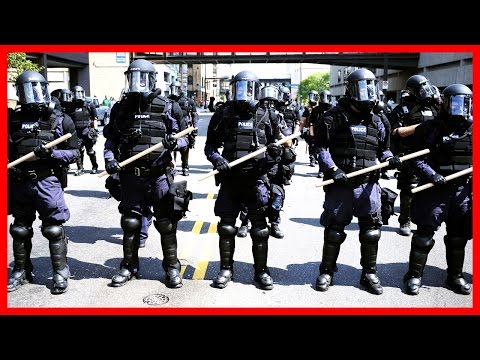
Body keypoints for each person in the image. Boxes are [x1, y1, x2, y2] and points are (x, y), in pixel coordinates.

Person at [312, 68, 402, 295]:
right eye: (363, 87)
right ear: (351, 90)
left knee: (371, 231)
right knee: (334, 231)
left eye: (371, 87)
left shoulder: (380, 119)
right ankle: (327, 271)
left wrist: (390, 159)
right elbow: (320, 147)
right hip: (341, 183)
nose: (368, 94)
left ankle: (369, 273)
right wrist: (331, 169)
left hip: (368, 184)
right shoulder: (333, 117)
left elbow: (384, 149)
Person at [103, 59, 190, 288]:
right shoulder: (120, 108)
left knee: (166, 222)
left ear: (151, 80)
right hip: (131, 175)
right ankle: (129, 266)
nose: (137, 83)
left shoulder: (169, 106)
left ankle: (172, 268)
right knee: (131, 222)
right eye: (133, 77)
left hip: (159, 174)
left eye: (142, 78)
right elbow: (111, 139)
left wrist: (174, 142)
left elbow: (186, 137)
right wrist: (109, 159)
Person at [204, 70, 284, 290]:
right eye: (238, 88)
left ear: (256, 90)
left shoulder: (269, 115)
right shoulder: (223, 114)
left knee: (260, 228)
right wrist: (217, 159)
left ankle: (261, 271)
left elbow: (277, 148)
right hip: (230, 178)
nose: (243, 94)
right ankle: (226, 270)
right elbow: (209, 146)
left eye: (248, 88)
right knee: (227, 227)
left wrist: (274, 154)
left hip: (256, 179)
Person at [7, 71, 80, 294]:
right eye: (27, 91)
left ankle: (60, 272)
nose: (33, 96)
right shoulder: (11, 120)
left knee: (53, 229)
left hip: (46, 181)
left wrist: (52, 156)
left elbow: (75, 152)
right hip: (19, 182)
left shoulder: (60, 119)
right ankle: (21, 270)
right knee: (20, 229)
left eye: (38, 90)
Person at [403, 83, 472, 296]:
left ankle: (454, 276)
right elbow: (415, 159)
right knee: (424, 236)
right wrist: (432, 175)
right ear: (445, 103)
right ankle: (414, 275)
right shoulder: (430, 128)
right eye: (455, 103)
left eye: (465, 103)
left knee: (458, 237)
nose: (460, 108)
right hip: (434, 189)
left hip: (462, 191)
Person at [236, 85, 295, 240]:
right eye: (265, 101)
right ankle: (244, 222)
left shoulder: (278, 117)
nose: (268, 104)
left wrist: (280, 142)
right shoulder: (254, 115)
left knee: (276, 194)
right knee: (251, 193)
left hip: (274, 162)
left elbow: (288, 139)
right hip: (257, 161)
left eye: (271, 101)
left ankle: (275, 223)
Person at [389, 74, 440, 236]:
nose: (425, 90)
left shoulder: (435, 107)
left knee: (431, 187)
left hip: (432, 155)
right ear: (411, 91)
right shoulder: (403, 108)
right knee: (409, 189)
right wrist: (423, 126)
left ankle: (425, 220)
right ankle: (405, 220)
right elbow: (397, 132)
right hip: (410, 154)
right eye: (420, 88)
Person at [66, 85, 99, 175]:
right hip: (76, 132)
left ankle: (94, 166)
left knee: (90, 151)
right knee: (78, 151)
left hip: (86, 131)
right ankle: (80, 168)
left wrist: (95, 130)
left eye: (80, 93)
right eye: (76, 94)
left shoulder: (89, 105)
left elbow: (95, 118)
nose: (78, 96)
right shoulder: (70, 106)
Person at [169, 81, 199, 176]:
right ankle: (172, 167)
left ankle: (185, 166)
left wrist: (195, 128)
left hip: (185, 127)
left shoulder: (188, 101)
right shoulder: (168, 100)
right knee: (171, 147)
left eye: (176, 88)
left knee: (185, 148)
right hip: (172, 126)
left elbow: (194, 115)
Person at [276, 85, 300, 185]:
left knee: (288, 157)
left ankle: (287, 177)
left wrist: (294, 136)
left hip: (289, 136)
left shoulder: (294, 107)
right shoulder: (276, 105)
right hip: (277, 135)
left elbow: (297, 122)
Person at [307, 89, 334, 178]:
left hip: (332, 134)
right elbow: (311, 122)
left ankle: (331, 169)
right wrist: (311, 133)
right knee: (322, 153)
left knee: (332, 153)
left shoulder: (334, 109)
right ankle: (321, 170)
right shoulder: (316, 109)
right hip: (320, 134)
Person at [300, 90, 319, 167]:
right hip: (312, 129)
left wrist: (301, 130)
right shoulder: (318, 107)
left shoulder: (310, 108)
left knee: (314, 144)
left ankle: (314, 158)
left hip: (315, 128)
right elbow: (303, 120)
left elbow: (303, 121)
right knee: (313, 144)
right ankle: (313, 158)